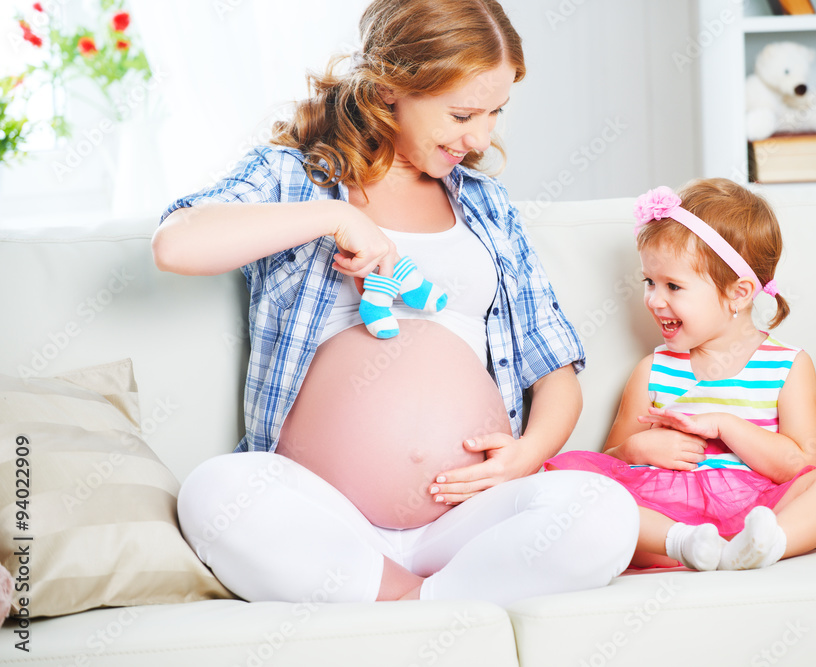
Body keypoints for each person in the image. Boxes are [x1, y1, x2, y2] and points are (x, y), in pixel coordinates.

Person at [151, 0, 638, 606]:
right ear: (388, 90)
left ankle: (409, 607)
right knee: (215, 492)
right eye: (462, 113)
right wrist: (333, 216)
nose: (481, 137)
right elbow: (176, 242)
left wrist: (523, 457)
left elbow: (555, 373)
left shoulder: (488, 207)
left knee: (603, 511)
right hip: (327, 517)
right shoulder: (296, 178)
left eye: (495, 113)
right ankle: (433, 604)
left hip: (465, 521)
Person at [546, 179, 816, 572]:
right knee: (578, 492)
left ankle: (769, 544)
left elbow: (801, 465)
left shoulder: (787, 366)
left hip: (756, 509)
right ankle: (684, 545)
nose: (654, 300)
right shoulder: (653, 369)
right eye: (650, 282)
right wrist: (637, 450)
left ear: (739, 293)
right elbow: (610, 461)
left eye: (673, 286)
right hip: (664, 515)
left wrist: (725, 425)